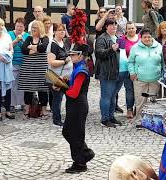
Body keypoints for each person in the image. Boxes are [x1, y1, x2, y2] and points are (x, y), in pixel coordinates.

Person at [54, 44, 94, 173]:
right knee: (69, 133)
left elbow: (74, 93)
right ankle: (85, 153)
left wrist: (63, 87)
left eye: (73, 55)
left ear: (80, 56)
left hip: (78, 105)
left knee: (75, 135)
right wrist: (63, 83)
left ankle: (80, 163)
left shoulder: (81, 70)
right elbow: (71, 88)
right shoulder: (77, 67)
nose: (70, 56)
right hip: (74, 105)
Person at [128, 28, 164, 117]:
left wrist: (162, 75)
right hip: (140, 79)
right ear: (141, 38)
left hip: (155, 79)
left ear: (152, 37)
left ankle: (152, 120)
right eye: (145, 37)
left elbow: (163, 62)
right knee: (140, 101)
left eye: (149, 37)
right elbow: (130, 62)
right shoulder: (135, 48)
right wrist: (132, 72)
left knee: (153, 101)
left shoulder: (159, 46)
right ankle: (140, 120)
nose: (147, 39)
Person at [19, 20, 50, 118]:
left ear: (40, 28)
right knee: (28, 90)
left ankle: (44, 110)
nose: (33, 29)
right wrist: (36, 49)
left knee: (43, 90)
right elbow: (23, 50)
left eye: (35, 28)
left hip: (41, 68)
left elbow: (43, 48)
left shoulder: (45, 38)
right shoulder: (28, 38)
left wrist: (32, 47)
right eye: (32, 27)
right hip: (28, 68)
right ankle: (27, 110)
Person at [95, 19, 122, 128]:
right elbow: (99, 53)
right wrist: (111, 49)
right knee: (106, 97)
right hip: (107, 72)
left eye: (115, 25)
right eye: (111, 25)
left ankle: (111, 116)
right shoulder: (102, 38)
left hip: (118, 71)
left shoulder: (118, 38)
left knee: (113, 96)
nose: (114, 27)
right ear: (106, 27)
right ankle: (104, 119)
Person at [47, 23, 71, 126]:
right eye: (60, 30)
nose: (62, 32)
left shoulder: (63, 42)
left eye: (63, 30)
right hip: (56, 77)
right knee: (57, 98)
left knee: (66, 97)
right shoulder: (53, 44)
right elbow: (51, 62)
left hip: (65, 77)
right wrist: (64, 62)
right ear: (55, 32)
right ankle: (56, 120)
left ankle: (64, 118)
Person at [115, 22, 140, 119]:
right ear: (126, 29)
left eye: (132, 28)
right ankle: (129, 109)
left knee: (138, 90)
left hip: (139, 69)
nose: (131, 30)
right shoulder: (121, 40)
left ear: (136, 28)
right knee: (129, 89)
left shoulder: (141, 38)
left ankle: (137, 108)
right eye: (129, 28)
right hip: (126, 68)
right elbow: (117, 54)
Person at [8, 18, 30, 112]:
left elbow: (27, 49)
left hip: (24, 63)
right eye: (17, 26)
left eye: (21, 26)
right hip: (13, 62)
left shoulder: (27, 36)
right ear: (15, 26)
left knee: (22, 85)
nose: (19, 28)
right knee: (12, 84)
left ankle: (22, 103)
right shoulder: (9, 34)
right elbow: (8, 47)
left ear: (24, 27)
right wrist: (16, 40)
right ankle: (12, 104)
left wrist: (22, 41)